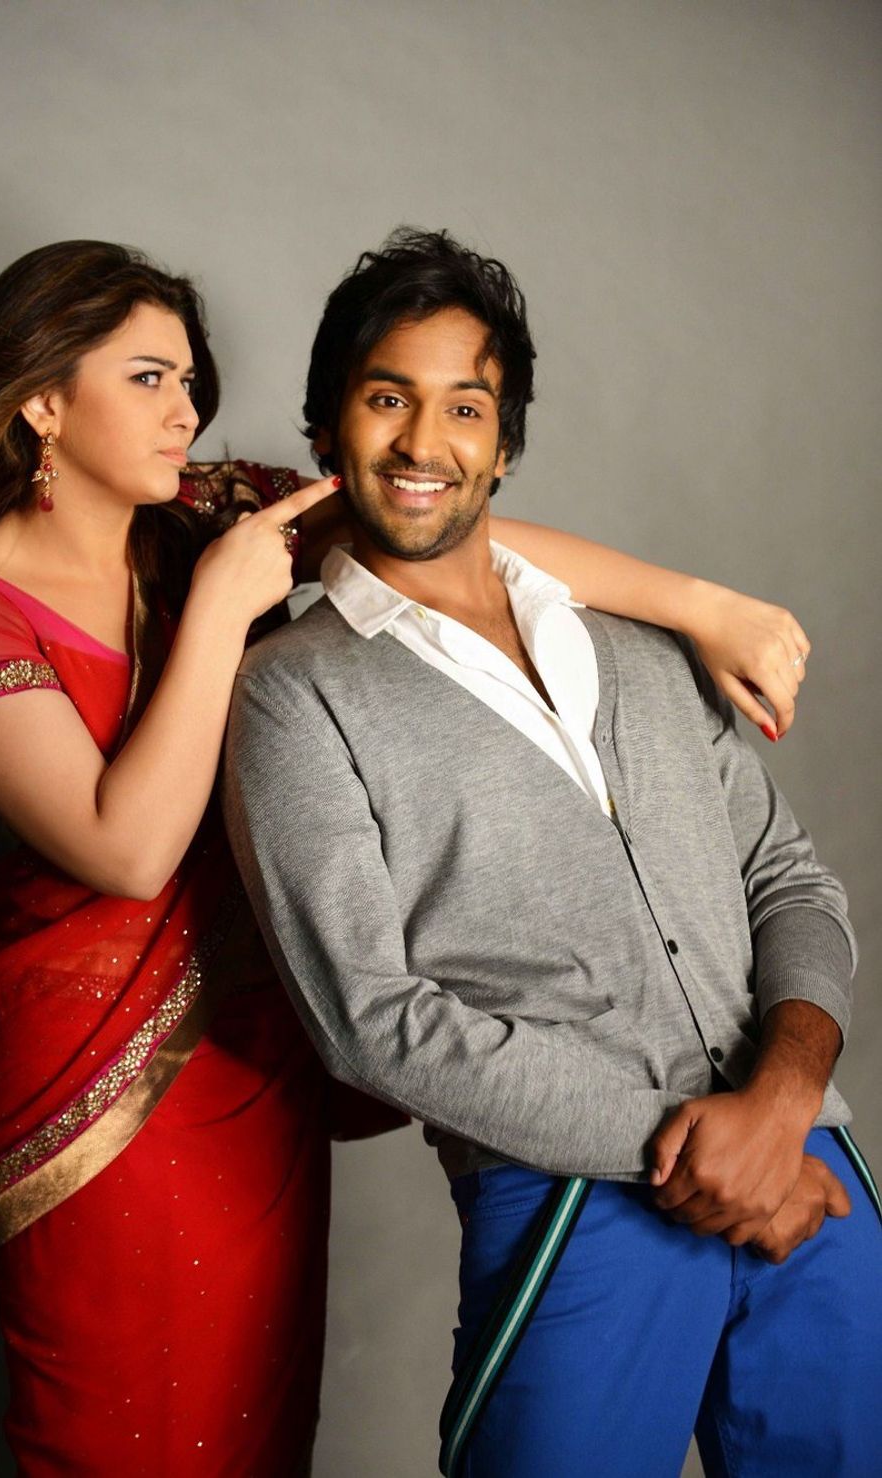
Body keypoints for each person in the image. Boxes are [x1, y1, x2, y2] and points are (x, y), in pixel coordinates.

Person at [0, 238, 815, 1476]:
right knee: (117, 1429)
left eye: (189, 381)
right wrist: (221, 607)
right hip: (94, 1086)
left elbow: (447, 529)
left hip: (252, 1056)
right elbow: (128, 848)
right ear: (44, 401)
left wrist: (703, 605)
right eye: (150, 378)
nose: (188, 411)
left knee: (255, 1427)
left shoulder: (203, 515)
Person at [224, 228, 882, 1478]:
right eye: (386, 398)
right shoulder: (293, 693)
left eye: (464, 406)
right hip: (572, 1203)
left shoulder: (639, 646)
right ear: (325, 429)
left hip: (806, 1166)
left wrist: (783, 1102)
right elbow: (369, 1017)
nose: (424, 442)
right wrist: (696, 1144)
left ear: (505, 444)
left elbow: (788, 878)